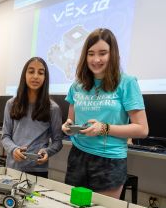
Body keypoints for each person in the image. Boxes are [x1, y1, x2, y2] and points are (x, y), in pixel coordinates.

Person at [62, 28, 148, 198]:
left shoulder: (127, 83)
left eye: (103, 53)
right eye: (91, 53)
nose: (96, 59)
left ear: (113, 54)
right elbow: (70, 120)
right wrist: (67, 125)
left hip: (109, 160)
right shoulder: (77, 86)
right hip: (78, 156)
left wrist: (104, 128)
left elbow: (142, 129)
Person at [1, 57, 63, 177]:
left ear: (45, 78)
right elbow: (5, 136)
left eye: (41, 73)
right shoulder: (11, 104)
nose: (35, 76)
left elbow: (57, 142)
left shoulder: (53, 108)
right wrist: (14, 150)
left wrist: (47, 152)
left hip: (38, 171)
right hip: (13, 168)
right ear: (24, 75)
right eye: (31, 71)